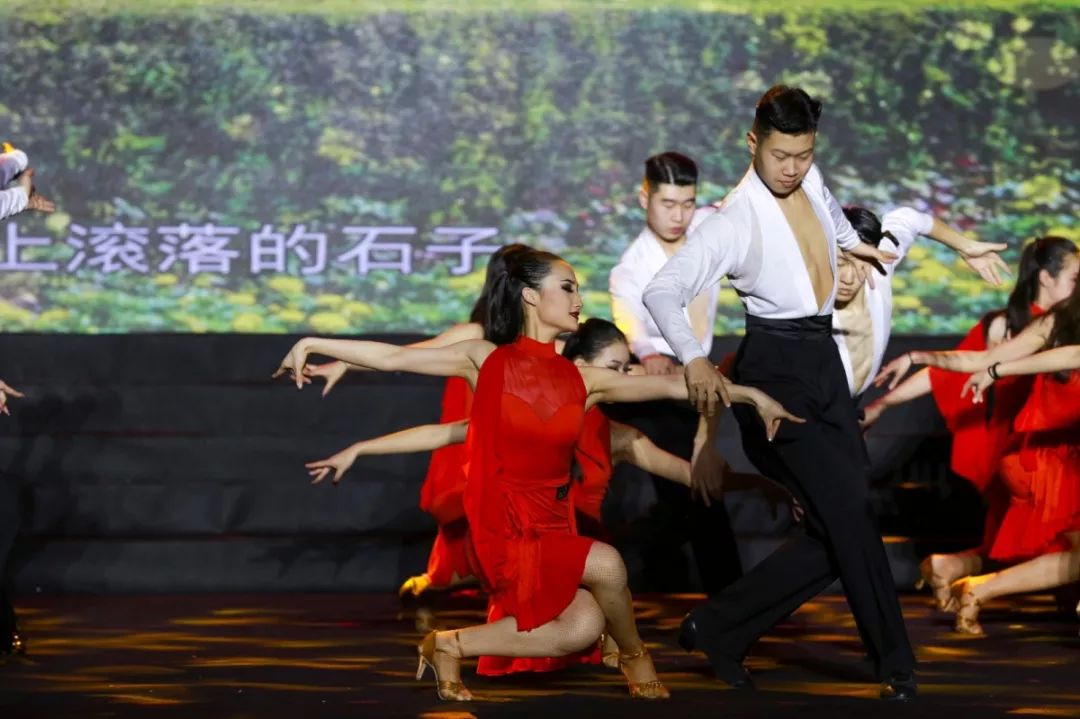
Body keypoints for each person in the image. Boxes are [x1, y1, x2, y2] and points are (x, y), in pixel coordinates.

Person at [276, 247, 802, 701]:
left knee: (581, 626)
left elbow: (672, 386)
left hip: (552, 522)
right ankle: (636, 657)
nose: (578, 299)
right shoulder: (484, 359)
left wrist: (749, 395)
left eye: (579, 290)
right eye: (567, 288)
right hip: (502, 523)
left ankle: (448, 645)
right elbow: (392, 358)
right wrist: (313, 343)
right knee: (608, 564)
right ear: (531, 296)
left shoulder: (582, 378)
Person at [642, 85, 917, 700]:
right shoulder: (733, 221)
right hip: (775, 370)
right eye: (780, 155)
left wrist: (862, 247)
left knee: (840, 525)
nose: (792, 168)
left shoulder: (809, 178)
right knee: (850, 519)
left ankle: (717, 627)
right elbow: (661, 291)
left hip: (823, 360)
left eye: (804, 154)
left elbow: (836, 225)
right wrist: (695, 359)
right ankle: (896, 664)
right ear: (753, 143)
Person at [306, 318, 710, 674]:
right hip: (517, 530)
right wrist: (360, 444)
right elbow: (423, 395)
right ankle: (427, 593)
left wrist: (725, 397)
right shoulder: (525, 390)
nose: (622, 376)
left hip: (571, 537)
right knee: (450, 576)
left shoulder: (615, 431)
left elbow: (669, 397)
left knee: (593, 588)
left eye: (626, 369)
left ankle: (604, 644)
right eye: (614, 368)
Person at [865, 237, 1078, 609]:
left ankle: (951, 569)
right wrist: (889, 395)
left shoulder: (1055, 323)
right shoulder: (1024, 325)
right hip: (1036, 455)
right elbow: (958, 369)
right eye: (1075, 278)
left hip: (1049, 451)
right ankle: (975, 588)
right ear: (1046, 277)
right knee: (1055, 551)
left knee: (1032, 550)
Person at [607, 152, 742, 595]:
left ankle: (645, 556)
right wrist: (648, 354)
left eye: (687, 203)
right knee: (695, 489)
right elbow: (632, 325)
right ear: (644, 198)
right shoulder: (631, 268)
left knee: (689, 496)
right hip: (657, 385)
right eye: (667, 204)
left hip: (697, 378)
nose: (678, 215)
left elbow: (740, 202)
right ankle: (730, 597)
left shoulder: (706, 225)